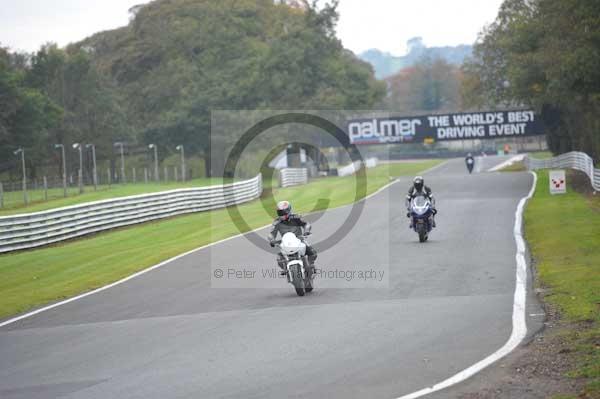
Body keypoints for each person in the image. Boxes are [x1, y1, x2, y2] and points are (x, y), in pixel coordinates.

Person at [268, 200, 317, 274]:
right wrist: (271, 239)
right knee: (279, 258)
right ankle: (286, 270)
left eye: (283, 212)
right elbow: (271, 233)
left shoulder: (296, 217)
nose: (281, 214)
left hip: (299, 240)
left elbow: (306, 224)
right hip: (285, 243)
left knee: (312, 252)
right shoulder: (276, 222)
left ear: (288, 211)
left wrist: (306, 231)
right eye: (279, 213)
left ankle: (311, 265)